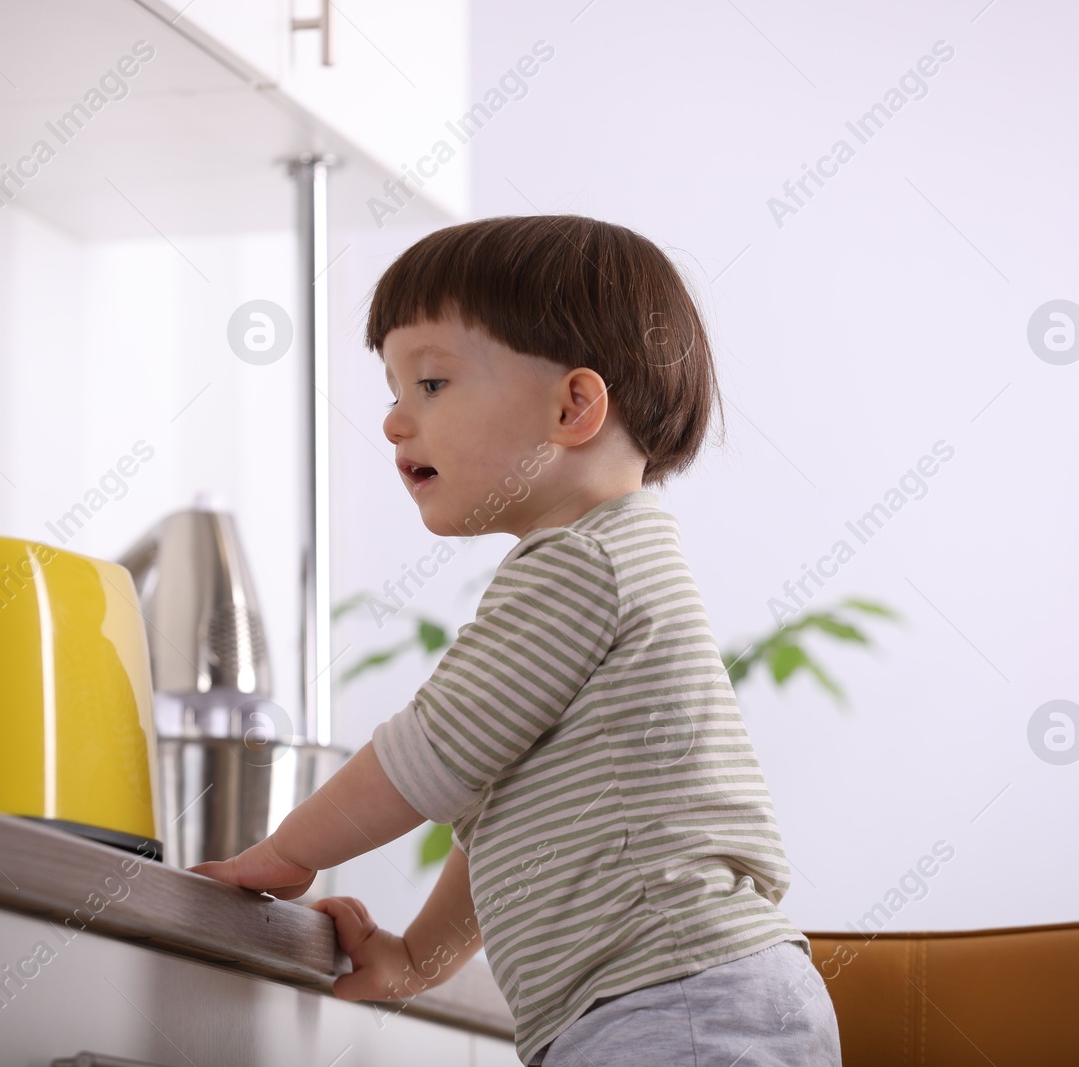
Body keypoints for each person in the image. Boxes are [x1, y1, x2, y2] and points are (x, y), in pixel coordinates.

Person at [192, 215, 843, 1066]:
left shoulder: (580, 565)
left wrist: (282, 853)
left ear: (573, 406)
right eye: (392, 390)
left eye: (429, 384)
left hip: (675, 1001)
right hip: (685, 996)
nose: (393, 422)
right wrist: (418, 955)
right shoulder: (613, 557)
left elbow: (429, 756)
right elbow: (500, 814)